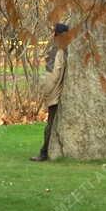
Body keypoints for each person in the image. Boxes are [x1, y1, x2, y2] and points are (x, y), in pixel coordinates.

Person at [33, 23, 70, 162]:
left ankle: (44, 152)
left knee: (51, 124)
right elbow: (53, 75)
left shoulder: (58, 50)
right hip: (58, 93)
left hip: (55, 93)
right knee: (51, 123)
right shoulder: (61, 50)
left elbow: (52, 76)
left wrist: (46, 93)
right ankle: (45, 152)